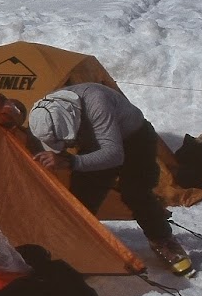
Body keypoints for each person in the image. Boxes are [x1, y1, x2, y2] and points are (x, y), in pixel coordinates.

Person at [28, 83, 192, 276]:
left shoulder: (96, 102)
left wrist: (71, 161)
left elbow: (114, 154)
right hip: (96, 144)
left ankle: (163, 240)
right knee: (81, 195)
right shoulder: (46, 108)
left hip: (135, 139)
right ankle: (73, 247)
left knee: (135, 191)